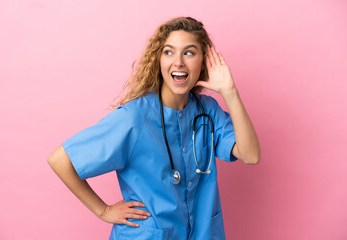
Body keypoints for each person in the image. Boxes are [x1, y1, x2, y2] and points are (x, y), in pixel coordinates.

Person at [48, 16, 260, 240]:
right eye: (169, 52)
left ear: (203, 60)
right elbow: (60, 159)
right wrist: (103, 210)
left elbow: (251, 155)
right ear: (159, 60)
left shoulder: (208, 110)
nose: (178, 62)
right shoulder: (134, 118)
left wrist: (229, 91)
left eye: (189, 52)